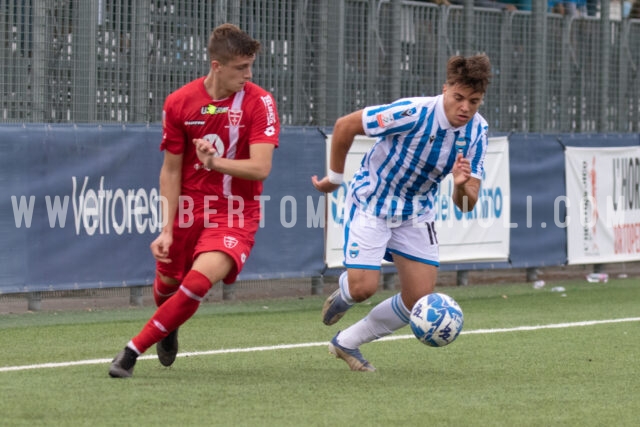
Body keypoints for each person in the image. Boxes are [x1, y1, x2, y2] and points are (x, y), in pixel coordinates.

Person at [109, 23, 280, 378]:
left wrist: (215, 162)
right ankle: (167, 328)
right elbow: (170, 171)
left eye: (251, 67)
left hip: (235, 212)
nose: (248, 75)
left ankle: (131, 351)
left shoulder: (260, 101)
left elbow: (261, 167)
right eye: (240, 68)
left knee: (199, 283)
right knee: (168, 288)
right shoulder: (179, 102)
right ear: (216, 66)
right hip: (188, 210)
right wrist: (165, 230)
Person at [311, 54, 491, 371]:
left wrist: (461, 186)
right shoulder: (414, 112)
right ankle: (346, 293)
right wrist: (335, 179)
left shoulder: (477, 132)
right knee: (363, 288)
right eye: (458, 97)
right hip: (372, 203)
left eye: (474, 101)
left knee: (418, 300)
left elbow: (465, 203)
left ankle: (346, 343)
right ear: (445, 89)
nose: (465, 108)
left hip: (417, 212)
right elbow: (345, 126)